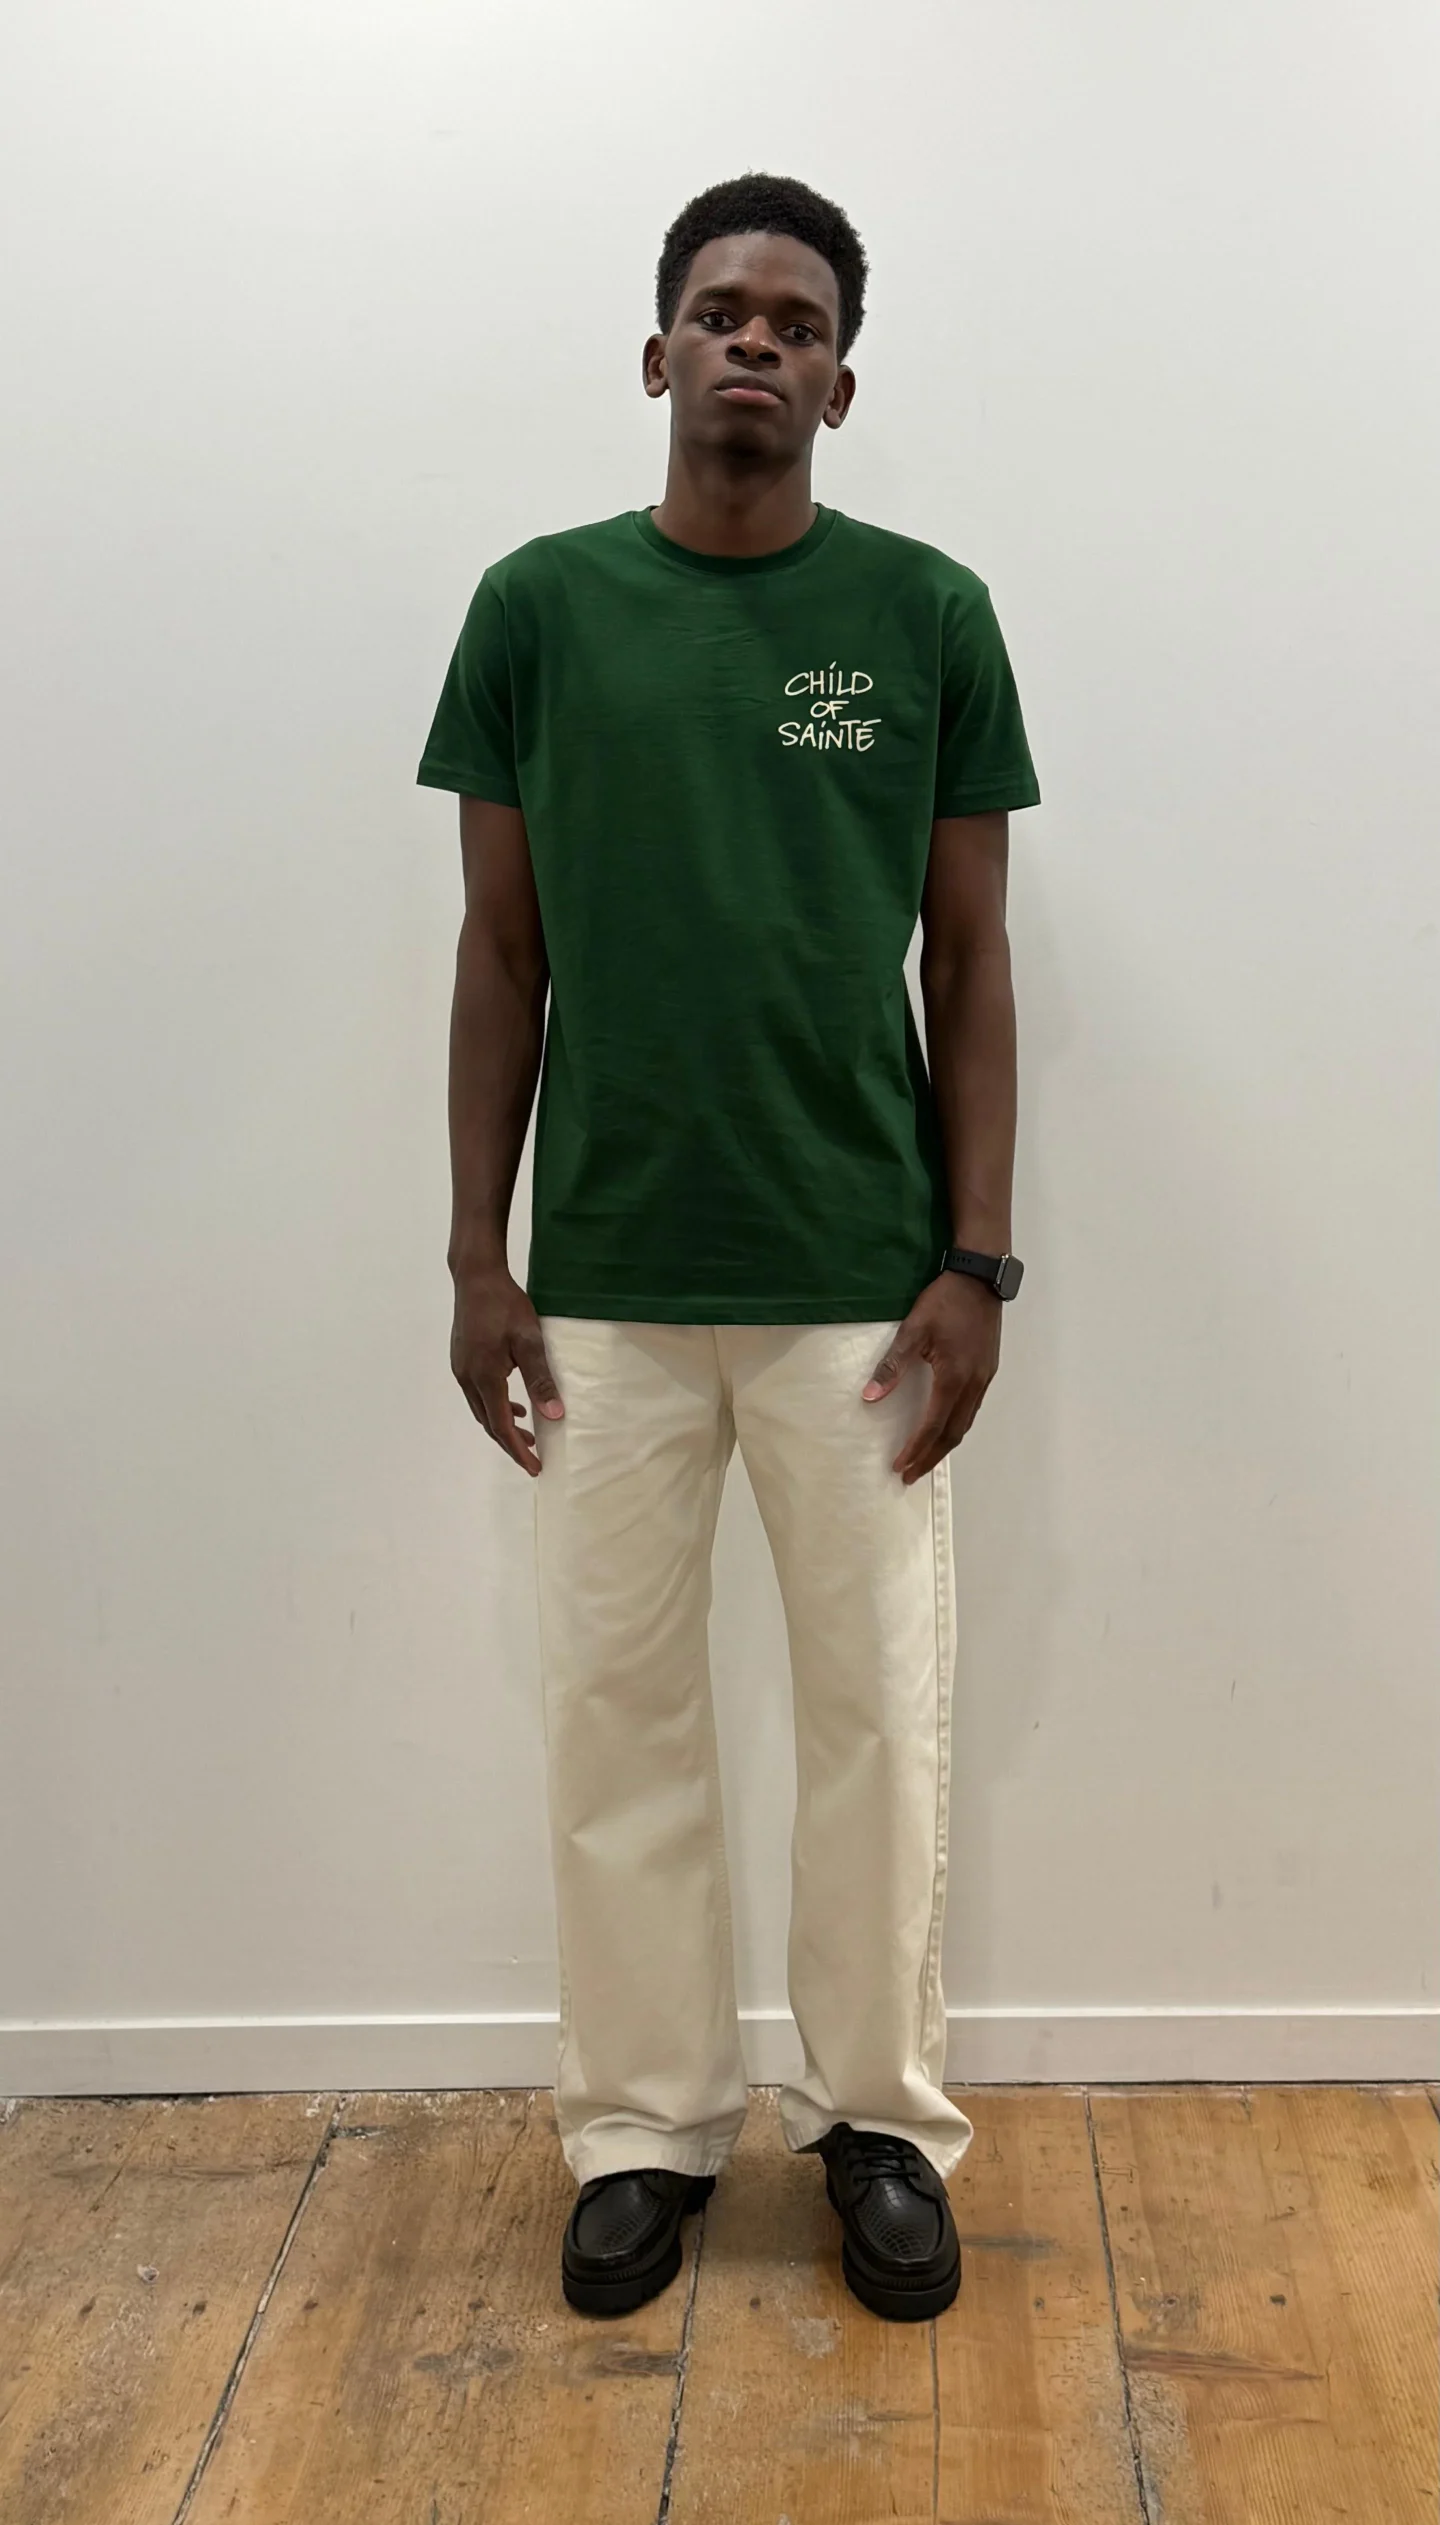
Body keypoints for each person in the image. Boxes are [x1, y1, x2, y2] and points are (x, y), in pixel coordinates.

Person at [416, 172, 1040, 2325]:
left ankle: (876, 2122)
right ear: (657, 353)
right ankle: (642, 2129)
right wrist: (476, 1256)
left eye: (796, 319)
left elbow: (970, 959)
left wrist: (977, 1261)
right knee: (617, 1714)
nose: (755, 338)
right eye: (719, 308)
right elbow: (500, 953)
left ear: (839, 384)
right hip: (599, 1276)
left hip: (861, 1277)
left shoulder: (929, 612)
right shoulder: (538, 607)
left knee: (879, 1712)